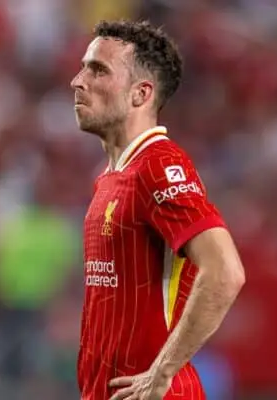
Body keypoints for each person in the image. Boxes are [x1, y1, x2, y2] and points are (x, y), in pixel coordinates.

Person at [70, 20, 246, 400]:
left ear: (141, 94)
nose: (78, 81)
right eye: (84, 66)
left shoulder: (158, 165)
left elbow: (225, 272)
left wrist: (161, 373)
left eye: (98, 70)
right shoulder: (111, 177)